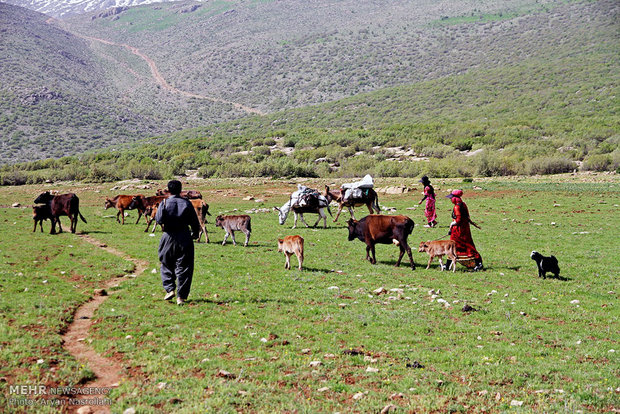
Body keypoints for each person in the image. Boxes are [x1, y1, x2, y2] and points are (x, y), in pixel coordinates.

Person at [155, 180, 201, 305]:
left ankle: (170, 289)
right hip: (184, 236)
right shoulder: (186, 203)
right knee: (185, 267)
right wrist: (195, 233)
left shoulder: (164, 202)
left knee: (166, 263)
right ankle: (181, 297)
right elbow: (194, 221)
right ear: (181, 189)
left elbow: (158, 220)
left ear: (168, 190)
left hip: (168, 236)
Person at [445, 189, 483, 271]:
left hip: (458, 231)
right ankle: (478, 263)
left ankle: (447, 265)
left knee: (453, 246)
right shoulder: (463, 204)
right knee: (468, 245)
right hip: (465, 228)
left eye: (451, 198)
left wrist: (452, 224)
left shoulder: (457, 207)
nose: (451, 200)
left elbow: (458, 220)